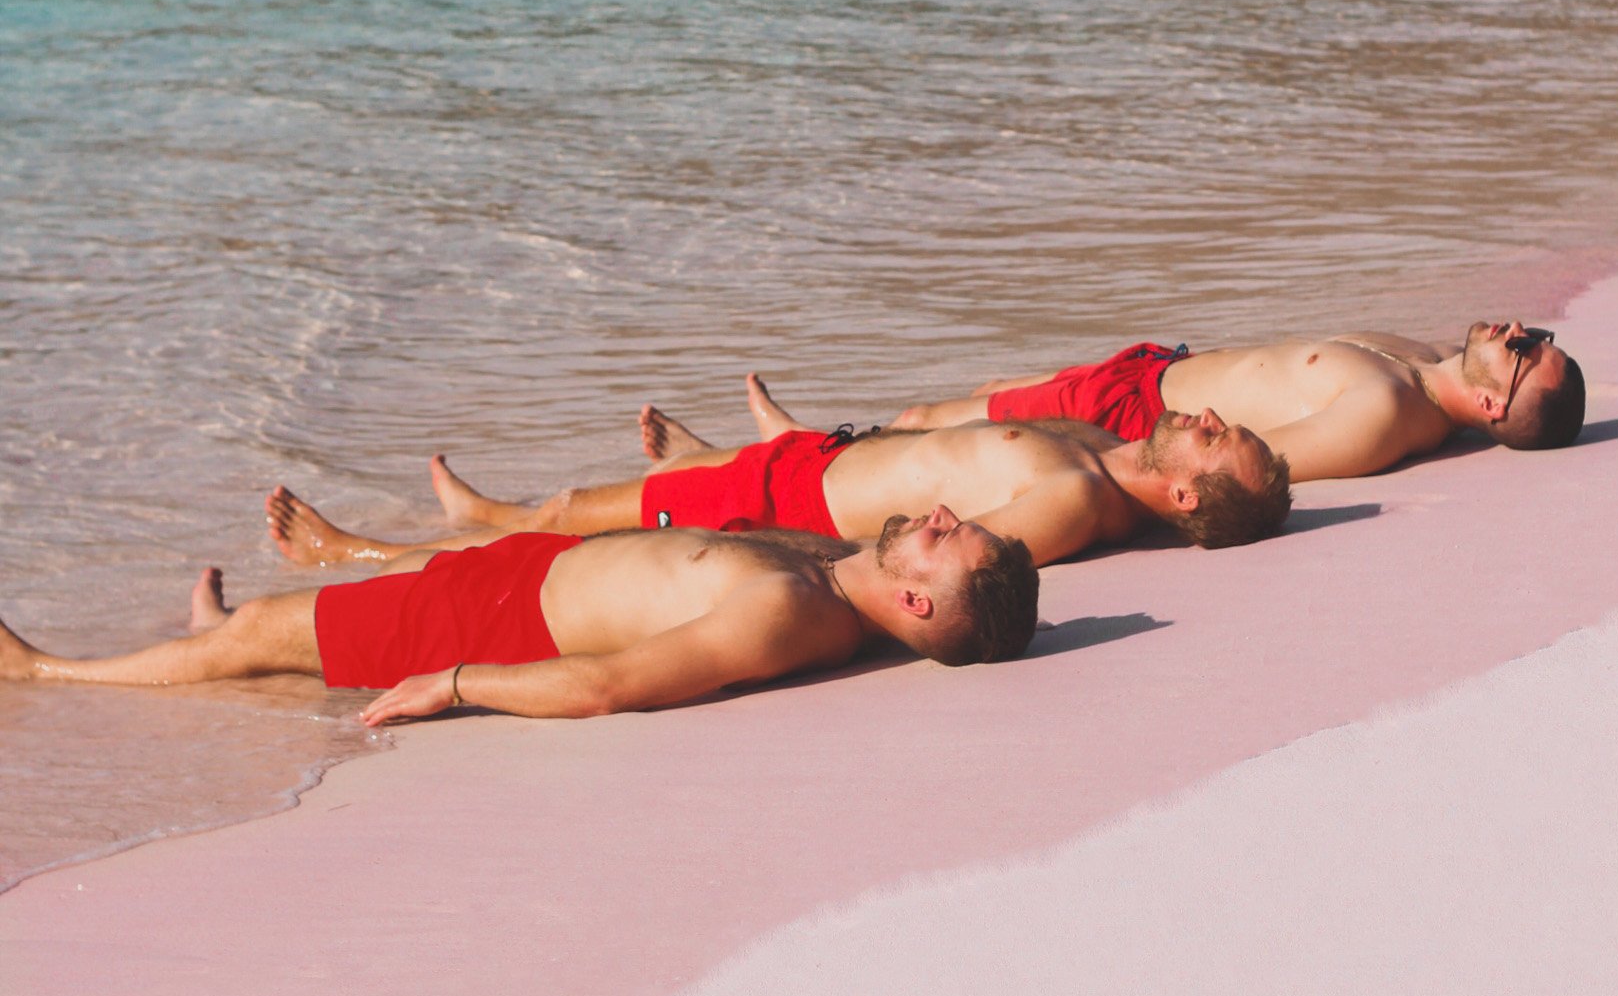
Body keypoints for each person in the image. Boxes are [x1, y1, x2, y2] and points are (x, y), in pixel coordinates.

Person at [0, 510, 1040, 726]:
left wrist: (457, 681)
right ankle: (224, 639)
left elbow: (609, 685)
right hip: (528, 574)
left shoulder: (789, 609)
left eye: (954, 540)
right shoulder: (838, 579)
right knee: (289, 626)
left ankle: (49, 673)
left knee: (260, 631)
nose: (944, 514)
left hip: (496, 621)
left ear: (916, 600)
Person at [263, 372, 1291, 574]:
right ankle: (478, 513)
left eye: (1215, 437)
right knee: (564, 514)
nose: (1204, 414)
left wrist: (756, 538)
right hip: (814, 465)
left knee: (572, 523)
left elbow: (910, 553)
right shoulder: (1103, 463)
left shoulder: (1073, 501)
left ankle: (358, 554)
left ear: (1190, 493)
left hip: (785, 502)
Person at [891, 320, 1585, 482]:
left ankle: (798, 464)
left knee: (924, 426)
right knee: (987, 393)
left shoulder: (1385, 416)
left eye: (1523, 351)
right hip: (1154, 369)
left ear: (1493, 406)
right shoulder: (1429, 370)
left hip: (1127, 415)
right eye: (1538, 335)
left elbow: (1254, 462)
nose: (1517, 331)